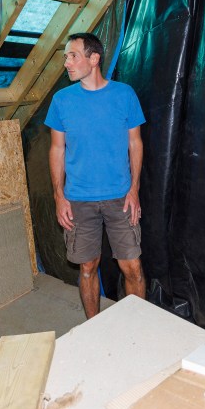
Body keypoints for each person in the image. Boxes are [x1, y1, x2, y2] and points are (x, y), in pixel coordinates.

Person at [44, 32, 147, 317]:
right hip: (78, 200)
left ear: (94, 58)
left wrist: (135, 189)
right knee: (88, 267)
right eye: (66, 56)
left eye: (73, 55)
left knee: (132, 267)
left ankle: (138, 326)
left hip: (121, 198)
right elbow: (57, 150)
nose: (67, 62)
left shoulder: (124, 94)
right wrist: (58, 196)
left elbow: (135, 143)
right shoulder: (61, 100)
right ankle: (94, 327)